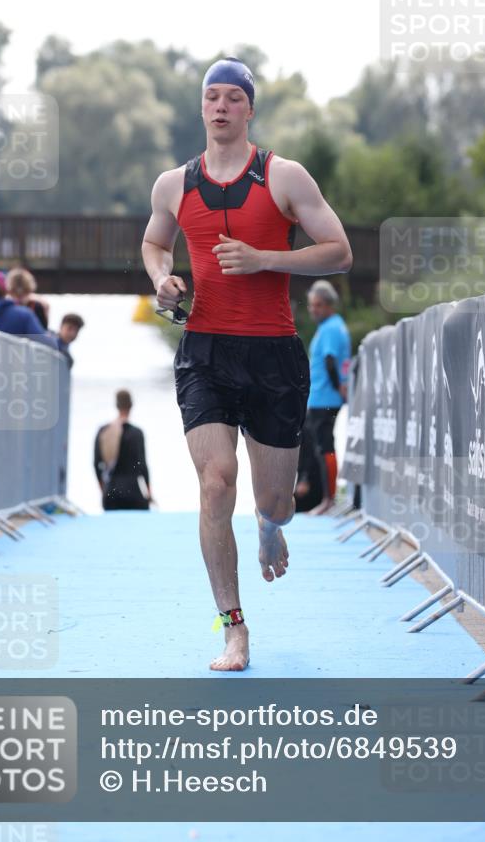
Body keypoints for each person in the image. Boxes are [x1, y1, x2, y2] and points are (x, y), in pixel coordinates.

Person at [141, 56, 353, 671]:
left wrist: (266, 259)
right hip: (205, 351)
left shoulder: (283, 176)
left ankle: (269, 523)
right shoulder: (172, 185)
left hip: (273, 354)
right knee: (214, 484)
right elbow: (156, 243)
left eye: (234, 97)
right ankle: (233, 627)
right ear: (201, 107)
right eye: (212, 96)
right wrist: (163, 279)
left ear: (250, 108)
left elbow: (339, 252)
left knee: (276, 500)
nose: (222, 106)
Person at [305, 280, 351, 514]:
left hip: (326, 397)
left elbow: (331, 361)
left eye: (319, 305)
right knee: (322, 447)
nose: (314, 309)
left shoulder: (332, 328)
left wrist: (338, 387)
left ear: (330, 304)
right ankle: (328, 497)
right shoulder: (331, 326)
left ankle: (329, 499)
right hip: (321, 396)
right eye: (311, 305)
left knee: (326, 447)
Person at [94, 390, 152, 510]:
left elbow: (96, 464)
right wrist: (149, 493)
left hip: (111, 493)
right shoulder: (137, 433)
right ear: (131, 406)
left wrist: (104, 490)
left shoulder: (103, 431)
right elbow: (142, 466)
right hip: (133, 493)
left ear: (116, 406)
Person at [0, 267, 58, 348]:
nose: (19, 298)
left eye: (24, 292)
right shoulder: (24, 312)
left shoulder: (36, 306)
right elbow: (45, 340)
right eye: (15, 293)